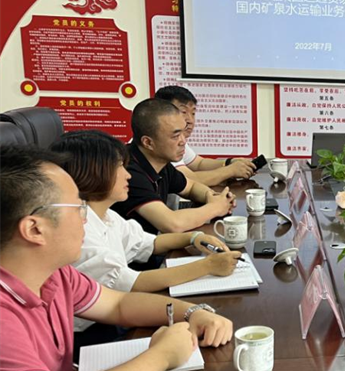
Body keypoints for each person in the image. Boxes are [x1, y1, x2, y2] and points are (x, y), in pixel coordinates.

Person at [0, 146, 233, 371]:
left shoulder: (55, 274)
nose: (86, 220)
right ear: (34, 228)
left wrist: (192, 312)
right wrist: (163, 355)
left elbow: (119, 304)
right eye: (77, 208)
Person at [51, 131, 241, 348]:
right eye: (119, 167)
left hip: (113, 316)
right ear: (92, 172)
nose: (128, 175)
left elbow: (148, 243)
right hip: (92, 334)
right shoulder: (79, 230)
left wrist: (193, 237)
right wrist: (207, 266)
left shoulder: (106, 214)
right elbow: (134, 284)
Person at [111, 98, 235, 235]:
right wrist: (216, 208)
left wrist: (212, 196)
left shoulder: (160, 162)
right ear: (148, 142)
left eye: (183, 132)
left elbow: (190, 187)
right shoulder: (127, 172)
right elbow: (172, 224)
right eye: (175, 136)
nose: (183, 141)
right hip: (128, 249)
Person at [154, 86, 256, 185]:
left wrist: (230, 162)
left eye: (193, 113)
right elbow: (190, 180)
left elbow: (198, 163)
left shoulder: (179, 140)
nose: (190, 120)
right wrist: (231, 170)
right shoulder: (164, 143)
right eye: (183, 112)